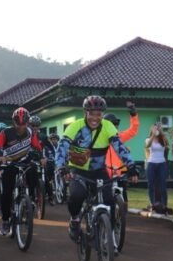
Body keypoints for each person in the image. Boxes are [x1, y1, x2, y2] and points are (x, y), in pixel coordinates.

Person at [55, 95, 138, 238]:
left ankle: (109, 235)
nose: (95, 118)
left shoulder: (108, 126)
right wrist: (61, 167)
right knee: (77, 195)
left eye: (98, 114)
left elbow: (120, 147)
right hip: (78, 170)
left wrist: (131, 167)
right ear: (85, 113)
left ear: (102, 115)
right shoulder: (75, 126)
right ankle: (74, 220)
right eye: (91, 114)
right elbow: (62, 147)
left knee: (109, 200)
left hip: (98, 171)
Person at [0, 108, 43, 235]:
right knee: (6, 194)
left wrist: (41, 157)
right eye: (18, 124)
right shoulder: (5, 133)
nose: (21, 127)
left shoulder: (31, 132)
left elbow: (37, 147)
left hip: (25, 163)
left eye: (24, 124)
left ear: (27, 123)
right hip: (9, 164)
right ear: (13, 122)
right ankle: (5, 221)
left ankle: (30, 199)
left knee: (34, 172)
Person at [103, 101, 140, 179]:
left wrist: (134, 115)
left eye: (117, 125)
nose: (116, 127)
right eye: (114, 124)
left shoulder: (119, 136)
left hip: (118, 173)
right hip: (102, 174)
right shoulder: (98, 137)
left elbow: (133, 130)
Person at [144, 124, 170, 214]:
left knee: (162, 185)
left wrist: (161, 132)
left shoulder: (162, 139)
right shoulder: (148, 139)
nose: (156, 130)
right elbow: (147, 146)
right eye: (155, 128)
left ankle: (164, 205)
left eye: (157, 129)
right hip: (151, 163)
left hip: (161, 163)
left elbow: (167, 144)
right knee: (151, 185)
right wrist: (153, 135)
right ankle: (153, 204)